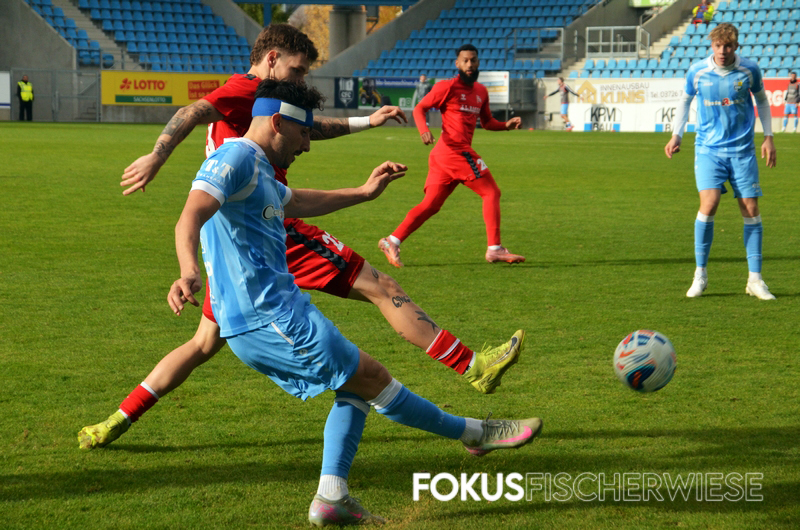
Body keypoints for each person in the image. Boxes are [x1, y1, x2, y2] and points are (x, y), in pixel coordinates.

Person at [79, 26, 522, 451]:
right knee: (380, 291)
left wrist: (366, 126)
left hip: (234, 238)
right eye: (297, 70)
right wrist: (156, 157)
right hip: (268, 229)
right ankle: (473, 369)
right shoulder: (247, 94)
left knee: (203, 343)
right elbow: (193, 112)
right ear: (272, 59)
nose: (301, 81)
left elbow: (306, 132)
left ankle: (119, 417)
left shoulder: (265, 112)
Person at [168, 79, 543, 525]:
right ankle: (478, 432)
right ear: (277, 123)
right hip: (268, 318)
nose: (307, 144)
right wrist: (188, 270)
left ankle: (332, 496)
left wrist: (363, 192)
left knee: (356, 388)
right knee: (373, 379)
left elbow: (296, 200)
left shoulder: (259, 166)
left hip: (276, 313)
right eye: (303, 133)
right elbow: (191, 214)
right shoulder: (234, 158)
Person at [379, 44, 526, 267]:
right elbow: (419, 108)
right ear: (457, 64)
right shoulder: (446, 87)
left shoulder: (481, 92)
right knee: (491, 192)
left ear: (478, 62)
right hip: (454, 151)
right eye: (465, 60)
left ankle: (392, 240)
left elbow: (487, 122)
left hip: (444, 156)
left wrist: (506, 125)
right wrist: (424, 130)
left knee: (431, 205)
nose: (469, 64)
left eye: (473, 60)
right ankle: (495, 249)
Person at [664, 23, 777, 300]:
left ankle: (755, 280)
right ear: (711, 45)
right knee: (709, 204)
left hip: (742, 151)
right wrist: (677, 134)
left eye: (728, 46)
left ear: (736, 46)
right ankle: (700, 275)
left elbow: (762, 101)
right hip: (708, 150)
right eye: (718, 46)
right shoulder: (697, 71)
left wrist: (768, 137)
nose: (722, 51)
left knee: (751, 209)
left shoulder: (749, 70)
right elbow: (684, 101)